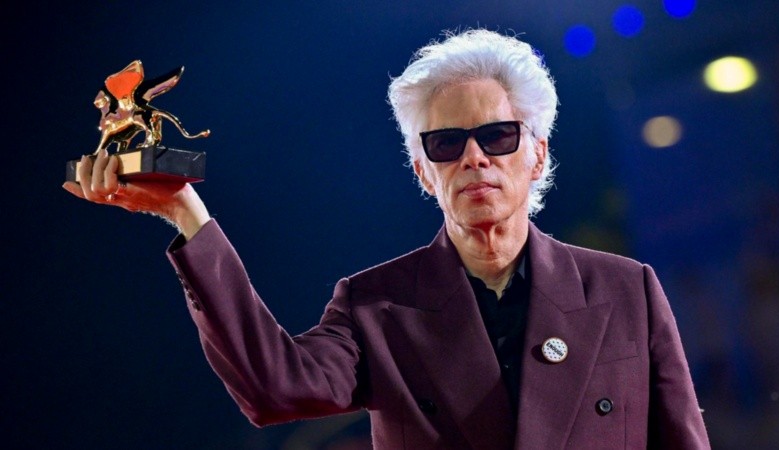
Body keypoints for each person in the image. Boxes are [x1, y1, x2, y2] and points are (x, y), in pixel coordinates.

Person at [64, 29, 711, 449]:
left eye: (498, 138)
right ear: (423, 171)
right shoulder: (377, 306)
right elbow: (273, 387)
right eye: (446, 144)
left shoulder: (629, 292)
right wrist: (186, 213)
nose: (475, 160)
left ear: (537, 156)